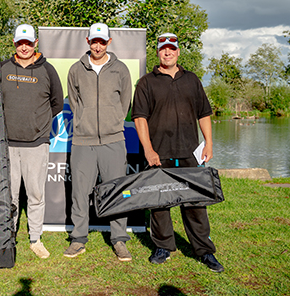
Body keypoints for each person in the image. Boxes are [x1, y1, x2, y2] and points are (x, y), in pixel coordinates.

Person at [0, 24, 64, 259]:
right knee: (8, 196)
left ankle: (35, 239)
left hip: (36, 144)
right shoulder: (2, 68)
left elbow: (57, 103)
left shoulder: (48, 70)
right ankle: (7, 235)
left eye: (28, 43)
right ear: (14, 43)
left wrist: (39, 125)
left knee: (35, 194)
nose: (24, 47)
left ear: (35, 43)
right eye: (20, 42)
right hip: (6, 144)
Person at [131, 32, 225, 273]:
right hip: (158, 153)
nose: (168, 52)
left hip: (189, 153)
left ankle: (204, 250)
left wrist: (209, 143)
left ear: (178, 51)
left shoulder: (192, 80)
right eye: (164, 48)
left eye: (172, 48)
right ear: (158, 52)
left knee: (195, 203)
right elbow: (140, 119)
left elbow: (204, 113)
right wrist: (149, 150)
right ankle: (163, 247)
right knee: (159, 203)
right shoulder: (146, 83)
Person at [64, 23, 133, 261]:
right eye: (94, 41)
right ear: (87, 41)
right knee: (80, 193)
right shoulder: (75, 69)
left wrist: (113, 122)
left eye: (102, 41)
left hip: (113, 140)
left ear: (109, 42)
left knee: (116, 191)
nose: (98, 45)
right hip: (83, 141)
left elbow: (125, 103)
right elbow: (74, 103)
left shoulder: (121, 69)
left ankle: (119, 239)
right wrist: (84, 122)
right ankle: (79, 238)